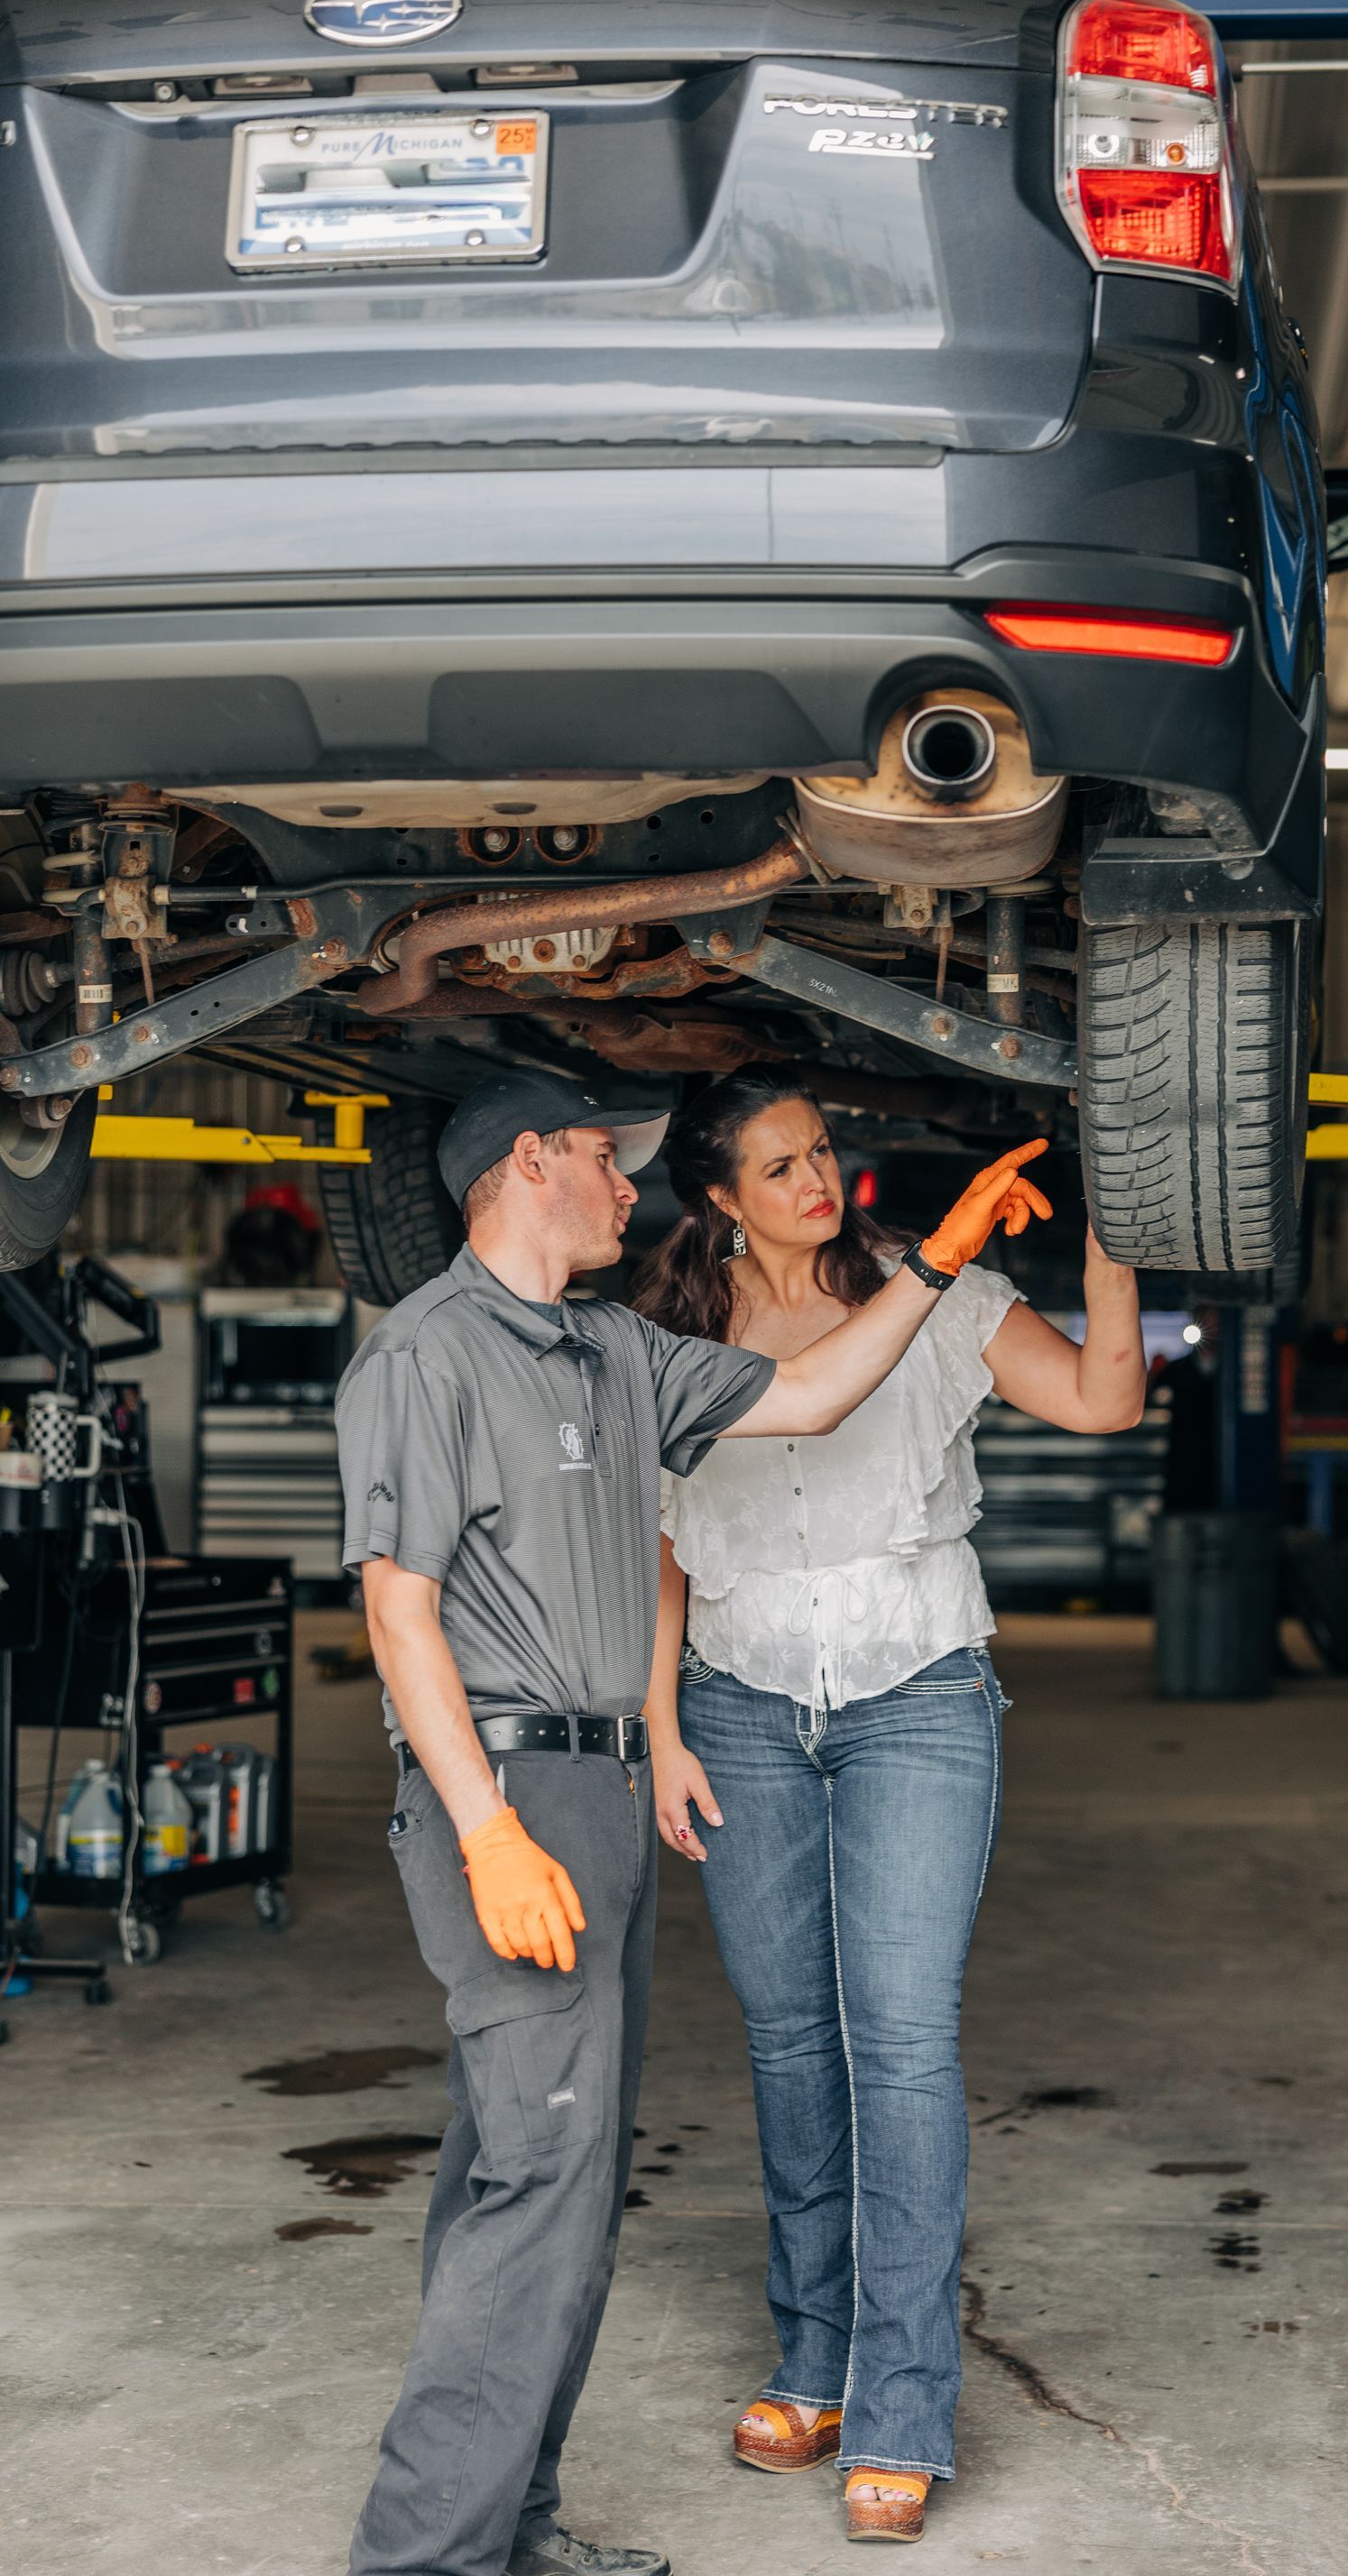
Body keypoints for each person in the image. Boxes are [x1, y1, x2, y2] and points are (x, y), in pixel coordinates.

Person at [335, 1067, 1048, 2576]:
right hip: (513, 1795)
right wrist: (485, 1831)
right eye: (602, 1158)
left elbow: (809, 1395)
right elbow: (398, 1616)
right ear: (528, 1164)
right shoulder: (426, 1354)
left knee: (561, 2180)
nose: (626, 1187)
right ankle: (428, 2557)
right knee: (537, 2178)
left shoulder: (615, 1348)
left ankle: (513, 2527)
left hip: (595, 1789)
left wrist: (940, 1258)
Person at [632, 1069, 1149, 2545]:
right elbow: (664, 1551)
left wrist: (1119, 1237)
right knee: (791, 2043)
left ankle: (907, 2404)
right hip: (736, 1702)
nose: (819, 1177)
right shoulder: (674, 1338)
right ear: (719, 1196)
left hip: (916, 1693)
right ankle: (814, 2361)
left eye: (826, 1150)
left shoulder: (951, 1295)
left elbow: (1109, 1401)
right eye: (782, 1163)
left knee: (901, 2042)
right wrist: (662, 1728)